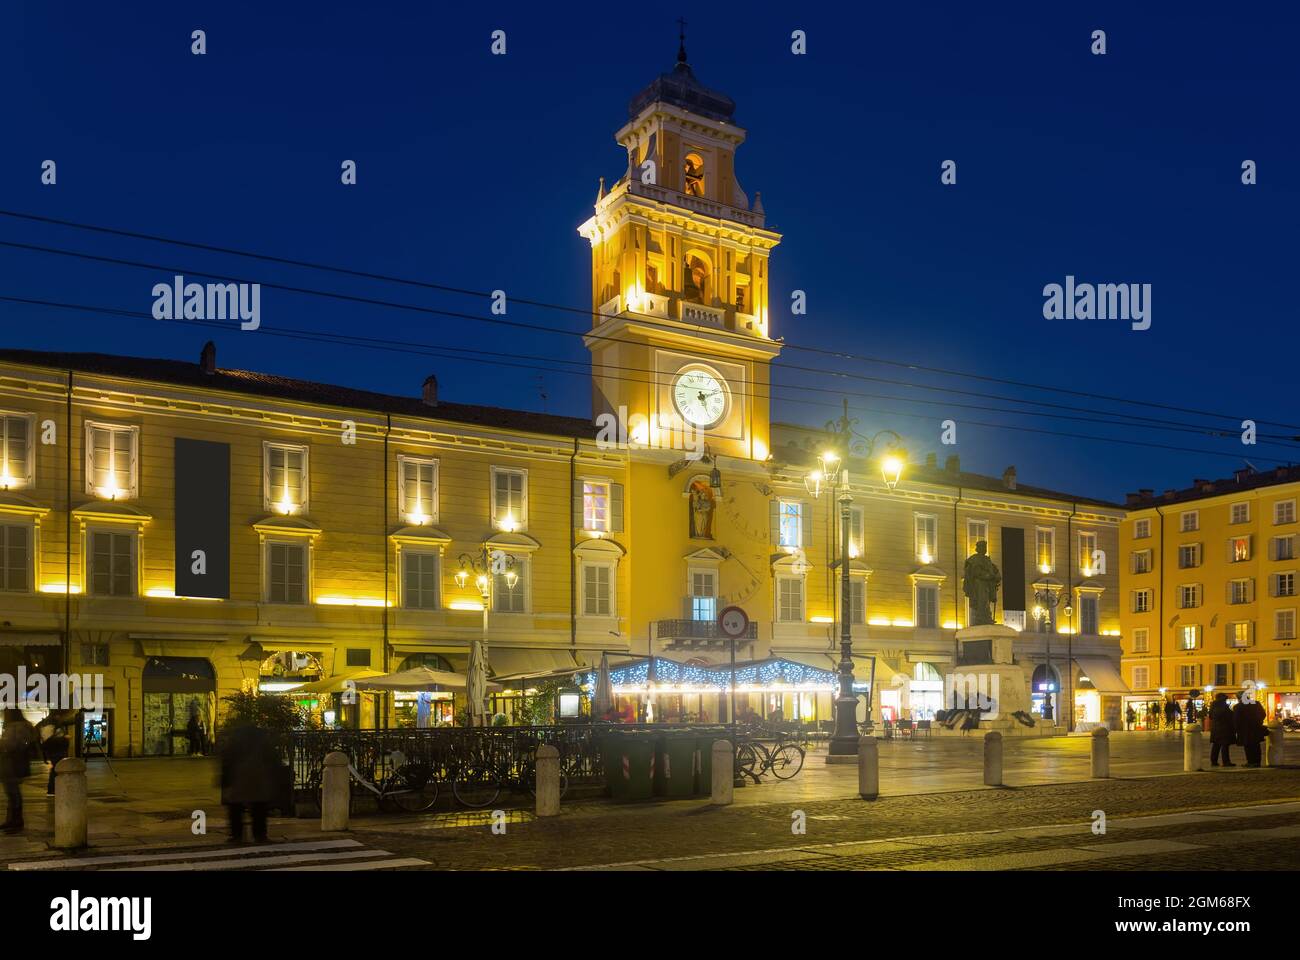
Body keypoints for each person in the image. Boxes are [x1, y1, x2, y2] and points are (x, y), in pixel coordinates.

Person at [220, 722, 280, 843]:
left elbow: (227, 761)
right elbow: (273, 760)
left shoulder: (234, 742)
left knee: (236, 808)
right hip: (259, 778)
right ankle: (260, 835)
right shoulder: (263, 741)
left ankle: (237, 835)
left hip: (238, 779)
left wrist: (225, 781)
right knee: (259, 808)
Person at [0, 709, 38, 834]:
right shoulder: (21, 727)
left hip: (11, 765)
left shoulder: (16, 727)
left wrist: (2, 744)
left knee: (13, 792)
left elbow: (11, 745)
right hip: (14, 764)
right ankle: (12, 819)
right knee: (12, 792)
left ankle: (15, 820)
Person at [1233, 694, 1267, 767]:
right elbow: (1263, 714)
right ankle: (1257, 762)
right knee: (1256, 746)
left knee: (1248, 746)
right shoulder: (1256, 703)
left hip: (1244, 730)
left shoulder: (1238, 707)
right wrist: (1259, 721)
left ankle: (1251, 762)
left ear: (1239, 698)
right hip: (1256, 728)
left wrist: (1236, 729)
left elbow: (1236, 720)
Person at [40, 723, 70, 795]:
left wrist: (45, 758)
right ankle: (53, 790)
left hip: (54, 755)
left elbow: (44, 747)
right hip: (58, 755)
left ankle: (52, 789)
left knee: (55, 772)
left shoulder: (49, 736)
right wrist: (65, 738)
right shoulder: (59, 735)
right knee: (56, 772)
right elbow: (62, 745)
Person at [1208, 692, 1236, 767]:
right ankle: (1226, 762)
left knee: (1216, 745)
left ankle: (1214, 761)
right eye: (1225, 698)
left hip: (1216, 728)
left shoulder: (1213, 705)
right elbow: (1227, 715)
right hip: (1223, 728)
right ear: (1222, 699)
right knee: (1224, 745)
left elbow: (1210, 716)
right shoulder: (1222, 706)